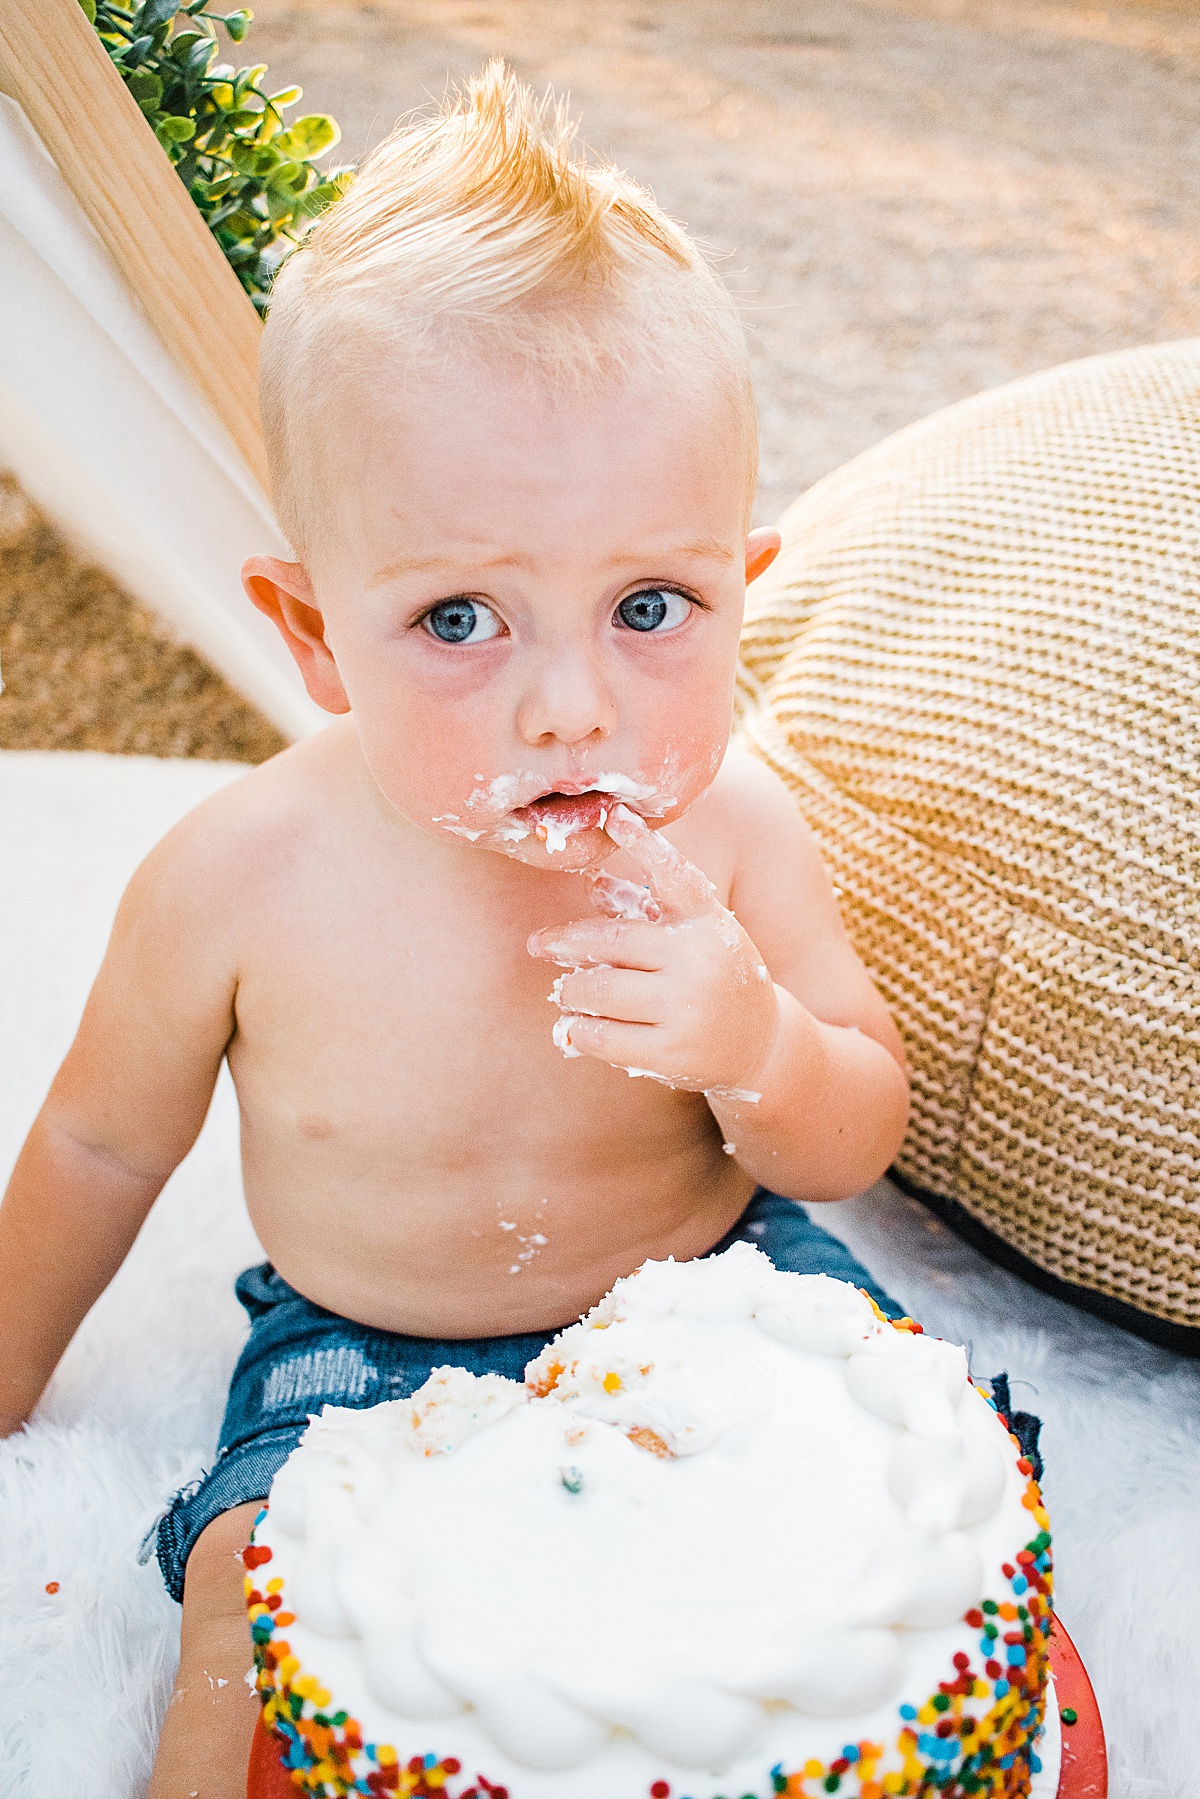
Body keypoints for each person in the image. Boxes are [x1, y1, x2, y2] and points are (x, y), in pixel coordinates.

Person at [0, 62, 909, 1796]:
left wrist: (757, 1047)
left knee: (891, 1513)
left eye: (652, 606)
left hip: (708, 1291)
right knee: (248, 1611)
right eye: (460, 619)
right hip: (365, 1350)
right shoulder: (240, 876)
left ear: (745, 592)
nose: (571, 708)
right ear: (315, 633)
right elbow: (102, 1144)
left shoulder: (734, 833)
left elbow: (858, 1133)